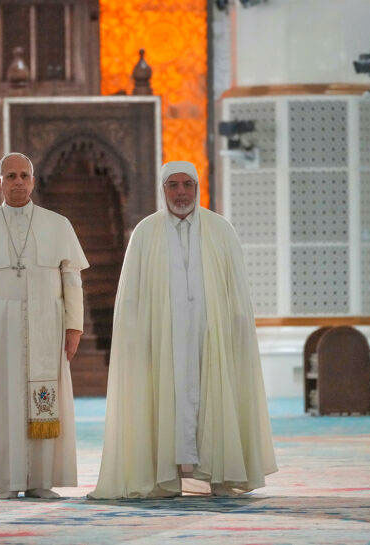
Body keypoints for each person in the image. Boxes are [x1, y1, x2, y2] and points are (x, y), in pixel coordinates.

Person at [90, 161, 277, 499]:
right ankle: (164, 479)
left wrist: (235, 331)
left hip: (212, 338)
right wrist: (136, 340)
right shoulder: (145, 233)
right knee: (163, 402)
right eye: (172, 185)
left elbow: (236, 291)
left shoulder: (221, 230)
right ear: (163, 190)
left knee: (216, 399)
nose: (180, 192)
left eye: (186, 185)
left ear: (197, 188)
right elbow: (131, 297)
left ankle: (221, 474)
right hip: (163, 341)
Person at [0, 152, 88, 499]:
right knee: (4, 400)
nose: (17, 182)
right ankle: (7, 481)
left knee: (44, 401)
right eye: (10, 176)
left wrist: (74, 328)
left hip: (48, 324)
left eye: (23, 175)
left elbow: (72, 281)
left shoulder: (58, 225)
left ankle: (40, 480)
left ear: (33, 181)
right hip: (0, 329)